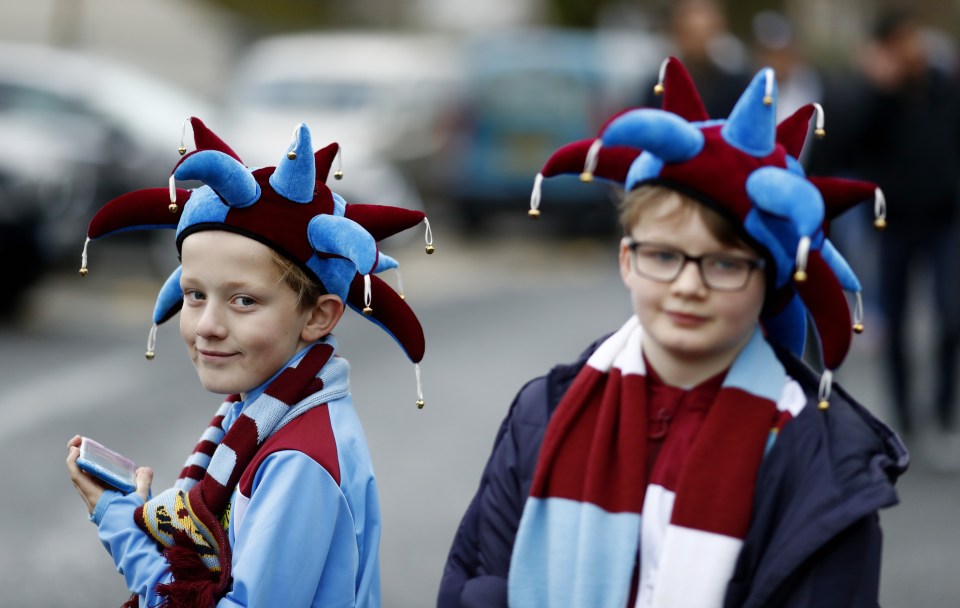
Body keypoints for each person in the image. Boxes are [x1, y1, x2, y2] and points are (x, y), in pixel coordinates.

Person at [439, 58, 908, 607]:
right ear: (626, 260)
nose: (688, 285)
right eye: (663, 254)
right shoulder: (542, 414)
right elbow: (479, 586)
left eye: (725, 263)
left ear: (772, 280)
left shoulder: (816, 465)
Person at [65, 117, 433, 607]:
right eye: (195, 295)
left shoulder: (296, 460)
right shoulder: (262, 413)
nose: (207, 325)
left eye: (243, 301)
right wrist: (143, 514)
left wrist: (120, 524)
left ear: (318, 316)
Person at [839, 9, 960, 446]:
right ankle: (904, 415)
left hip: (945, 219)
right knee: (897, 318)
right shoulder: (874, 96)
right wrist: (877, 90)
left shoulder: (944, 87)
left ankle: (944, 410)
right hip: (893, 223)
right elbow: (845, 144)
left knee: (951, 314)